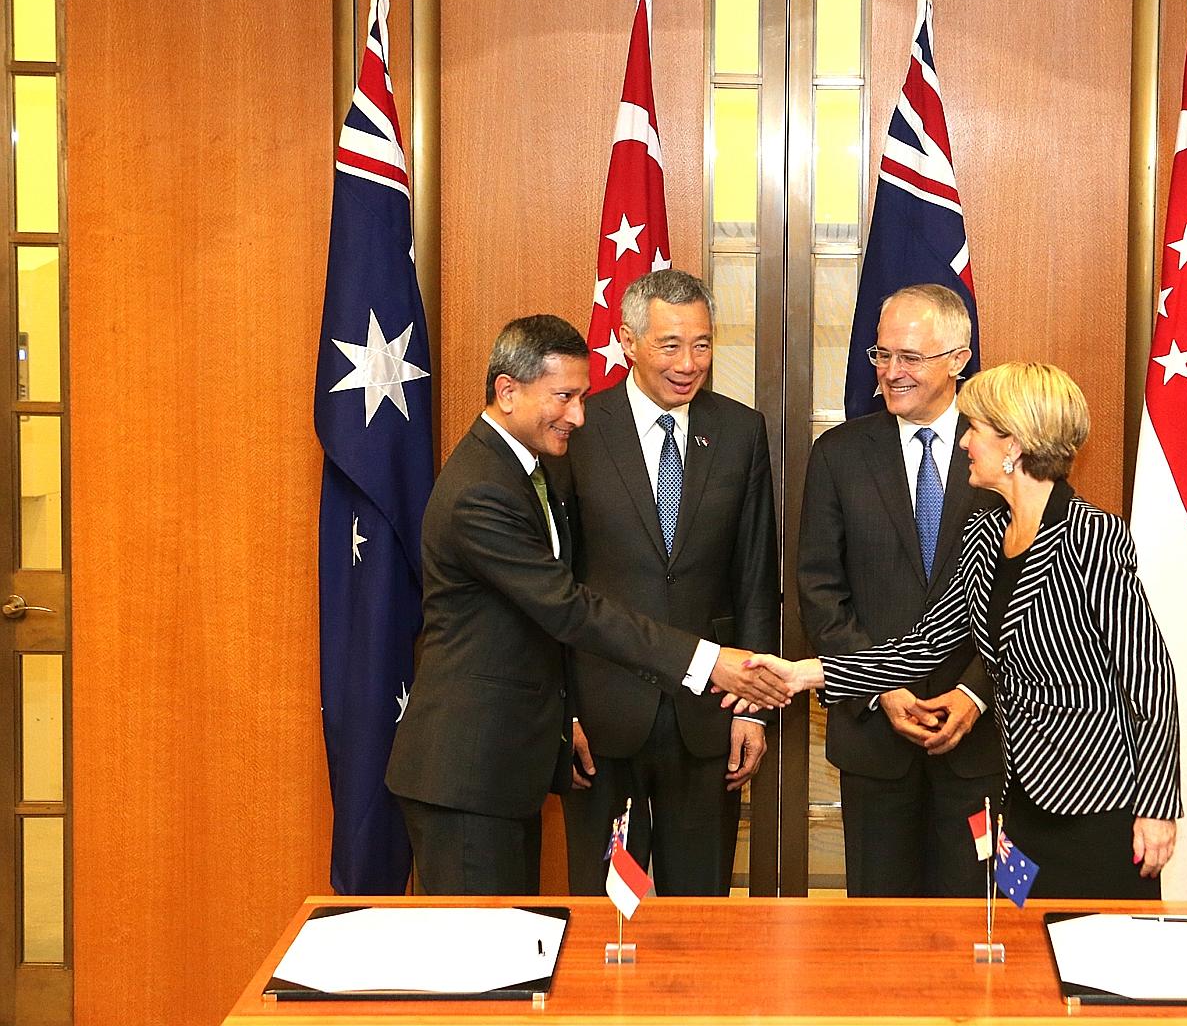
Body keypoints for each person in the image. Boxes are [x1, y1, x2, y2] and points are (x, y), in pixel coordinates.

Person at [385, 314, 787, 895]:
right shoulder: (483, 490)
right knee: (482, 967)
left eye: (580, 396)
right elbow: (570, 607)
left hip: (502, 768)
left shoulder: (516, 471)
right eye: (565, 397)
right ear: (508, 391)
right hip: (467, 771)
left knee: (513, 954)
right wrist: (706, 662)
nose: (578, 414)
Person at [747, 362, 1180, 899]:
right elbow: (927, 643)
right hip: (1015, 796)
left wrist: (1157, 808)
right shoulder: (988, 530)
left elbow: (1150, 677)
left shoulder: (1093, 535)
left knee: (1089, 966)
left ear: (1013, 446)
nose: (963, 443)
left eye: (975, 429)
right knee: (1022, 958)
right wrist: (802, 674)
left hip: (1094, 804)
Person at [559, 270, 778, 896]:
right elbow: (557, 584)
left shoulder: (740, 432)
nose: (689, 364)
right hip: (602, 717)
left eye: (703, 345)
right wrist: (563, 711)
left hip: (709, 715)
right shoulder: (578, 429)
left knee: (702, 910)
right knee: (603, 912)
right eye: (671, 345)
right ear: (627, 340)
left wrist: (755, 709)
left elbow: (755, 578)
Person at [797, 284, 1005, 897]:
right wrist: (881, 685)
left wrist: (974, 692)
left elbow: (1031, 596)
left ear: (958, 359)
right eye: (881, 355)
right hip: (875, 741)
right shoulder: (837, 454)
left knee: (981, 916)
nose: (891, 372)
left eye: (909, 358)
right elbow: (819, 589)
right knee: (877, 930)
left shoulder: (1001, 450)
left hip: (980, 740)